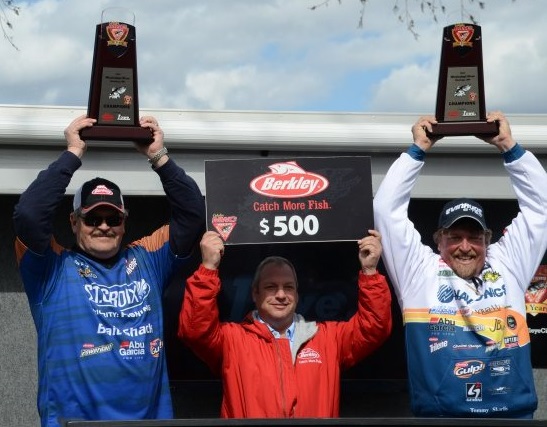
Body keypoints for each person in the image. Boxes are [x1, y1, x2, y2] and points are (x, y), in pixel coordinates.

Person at [13, 115, 206, 427]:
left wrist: (158, 156)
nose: (103, 226)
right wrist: (73, 153)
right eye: (92, 219)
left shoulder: (148, 259)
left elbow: (193, 214)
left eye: (113, 219)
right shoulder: (51, 267)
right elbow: (29, 214)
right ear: (74, 222)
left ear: (124, 223)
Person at [373, 111, 547, 418]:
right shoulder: (419, 271)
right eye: (455, 237)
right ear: (439, 240)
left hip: (512, 417)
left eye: (474, 237)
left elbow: (542, 208)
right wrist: (418, 149)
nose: (465, 247)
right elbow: (386, 210)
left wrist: (508, 145)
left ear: (487, 240)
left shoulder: (508, 263)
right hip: (441, 419)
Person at [178, 229, 392, 418]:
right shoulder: (232, 340)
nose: (281, 295)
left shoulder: (327, 338)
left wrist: (370, 271)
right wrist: (208, 268)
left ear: (297, 295)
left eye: (288, 287)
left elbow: (374, 327)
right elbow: (195, 330)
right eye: (271, 287)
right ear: (255, 293)